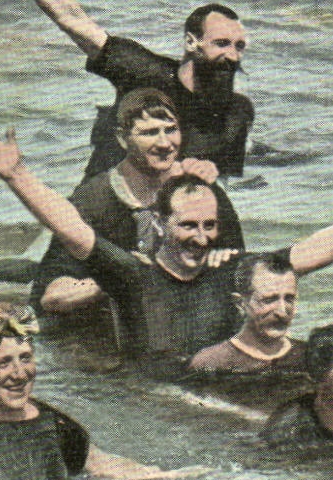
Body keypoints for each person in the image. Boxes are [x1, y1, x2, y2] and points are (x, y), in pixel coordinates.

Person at [0, 123, 333, 371]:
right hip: (153, 398)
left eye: (209, 226)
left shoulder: (230, 271)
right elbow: (71, 228)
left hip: (217, 384)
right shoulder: (133, 275)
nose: (201, 237)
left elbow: (306, 254)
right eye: (188, 225)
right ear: (160, 223)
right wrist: (16, 175)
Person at [0, 0, 254, 178]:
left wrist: (212, 171)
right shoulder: (145, 72)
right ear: (191, 43)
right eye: (221, 44)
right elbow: (73, 19)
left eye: (239, 47)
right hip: (107, 194)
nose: (232, 56)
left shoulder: (238, 113)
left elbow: (225, 180)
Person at [0, 303, 195, 480]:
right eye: (3, 363)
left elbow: (104, 465)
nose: (20, 374)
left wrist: (183, 478)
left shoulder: (51, 422)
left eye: (25, 358)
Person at [31, 88, 244, 320]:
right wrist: (114, 282)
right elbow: (50, 293)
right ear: (123, 138)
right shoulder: (93, 199)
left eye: (171, 130)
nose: (165, 143)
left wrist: (221, 261)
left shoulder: (202, 189)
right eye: (150, 132)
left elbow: (239, 264)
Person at [187, 252, 307, 374]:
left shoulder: (309, 356)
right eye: (269, 300)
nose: (282, 312)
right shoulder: (211, 363)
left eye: (289, 299)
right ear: (240, 303)